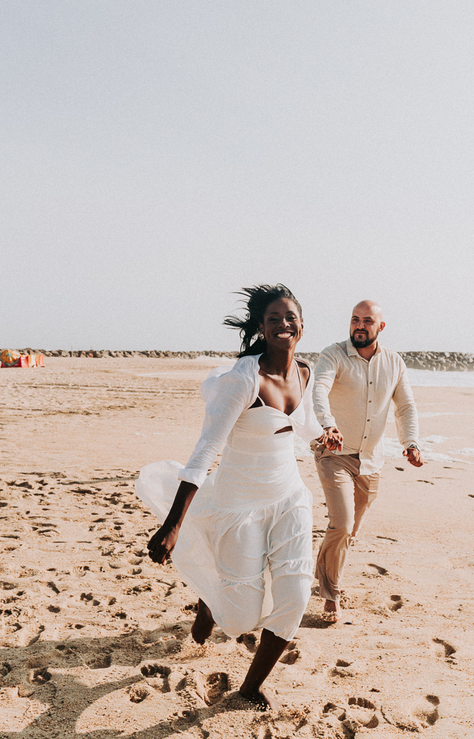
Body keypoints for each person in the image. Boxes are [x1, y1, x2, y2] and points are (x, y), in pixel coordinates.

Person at [138, 284, 320, 710]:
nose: (283, 324)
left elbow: (305, 422)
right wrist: (172, 525)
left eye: (289, 317)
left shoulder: (305, 372)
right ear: (261, 327)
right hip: (239, 506)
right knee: (239, 618)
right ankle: (209, 601)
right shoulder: (243, 380)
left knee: (295, 596)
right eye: (273, 319)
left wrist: (324, 436)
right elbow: (205, 452)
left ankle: (250, 687)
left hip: (290, 498)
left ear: (301, 326)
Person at [311, 300, 422, 622]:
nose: (359, 326)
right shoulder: (332, 355)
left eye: (367, 321)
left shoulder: (394, 363)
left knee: (349, 532)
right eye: (355, 320)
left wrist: (411, 442)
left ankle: (321, 575)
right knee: (342, 525)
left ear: (380, 327)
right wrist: (327, 423)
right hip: (334, 454)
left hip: (371, 461)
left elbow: (405, 407)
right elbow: (318, 389)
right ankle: (331, 594)